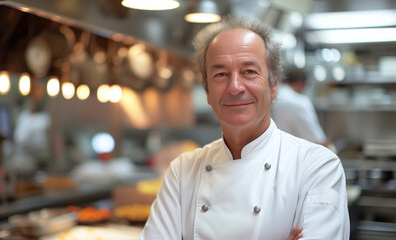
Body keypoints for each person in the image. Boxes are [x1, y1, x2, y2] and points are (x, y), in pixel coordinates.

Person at [140, 16, 349, 240]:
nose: (235, 87)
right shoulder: (182, 172)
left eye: (249, 71)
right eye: (220, 74)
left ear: (274, 84)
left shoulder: (318, 167)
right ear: (208, 92)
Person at [272, 67, 330, 147]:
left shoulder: (271, 95)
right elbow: (316, 139)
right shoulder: (299, 101)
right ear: (301, 83)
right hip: (292, 153)